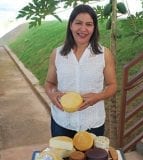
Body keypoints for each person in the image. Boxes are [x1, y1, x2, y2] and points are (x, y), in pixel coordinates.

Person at [44, 4, 117, 138]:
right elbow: (49, 83)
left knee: (92, 159)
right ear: (71, 25)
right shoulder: (57, 54)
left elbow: (112, 86)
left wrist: (98, 97)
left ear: (94, 28)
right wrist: (52, 94)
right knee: (62, 159)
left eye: (89, 24)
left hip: (92, 123)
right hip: (62, 122)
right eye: (78, 23)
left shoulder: (104, 54)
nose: (83, 29)